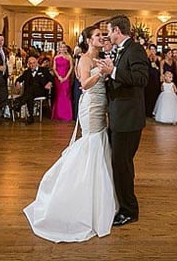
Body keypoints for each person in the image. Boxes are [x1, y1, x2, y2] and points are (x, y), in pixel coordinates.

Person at [24, 26, 116, 242]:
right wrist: (102, 73)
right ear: (88, 40)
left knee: (99, 141)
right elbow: (84, 84)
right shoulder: (84, 59)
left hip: (101, 103)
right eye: (97, 36)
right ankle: (77, 188)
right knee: (91, 141)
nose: (101, 38)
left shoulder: (102, 57)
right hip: (91, 104)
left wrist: (108, 72)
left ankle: (99, 194)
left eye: (103, 35)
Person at [97, 14, 149, 227]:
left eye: (109, 31)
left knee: (122, 164)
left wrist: (113, 71)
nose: (108, 35)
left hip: (128, 119)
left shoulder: (135, 49)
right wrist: (110, 75)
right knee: (120, 164)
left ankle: (129, 210)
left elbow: (141, 79)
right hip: (119, 116)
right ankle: (123, 204)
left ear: (117, 31)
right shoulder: (122, 51)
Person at [14, 56, 54, 125]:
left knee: (30, 91)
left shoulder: (44, 70)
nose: (32, 65)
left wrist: (49, 83)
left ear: (37, 63)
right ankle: (31, 117)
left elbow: (52, 78)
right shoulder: (26, 72)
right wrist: (17, 82)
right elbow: (19, 79)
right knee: (30, 95)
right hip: (30, 93)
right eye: (30, 63)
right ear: (28, 64)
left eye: (34, 63)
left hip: (41, 91)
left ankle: (19, 103)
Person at [51, 43, 74, 121]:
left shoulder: (69, 57)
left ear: (66, 48)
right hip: (58, 78)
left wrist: (66, 77)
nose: (63, 49)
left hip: (66, 78)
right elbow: (54, 68)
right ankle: (58, 115)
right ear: (59, 48)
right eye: (61, 47)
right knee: (59, 95)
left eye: (64, 47)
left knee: (66, 95)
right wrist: (58, 77)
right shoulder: (56, 57)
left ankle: (67, 115)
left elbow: (71, 68)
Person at [144, 44, 161, 117]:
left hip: (156, 78)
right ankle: (147, 112)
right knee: (148, 95)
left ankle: (154, 111)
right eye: (151, 49)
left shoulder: (159, 58)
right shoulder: (147, 58)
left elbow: (161, 69)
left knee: (155, 94)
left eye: (154, 49)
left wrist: (157, 67)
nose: (152, 51)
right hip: (148, 78)